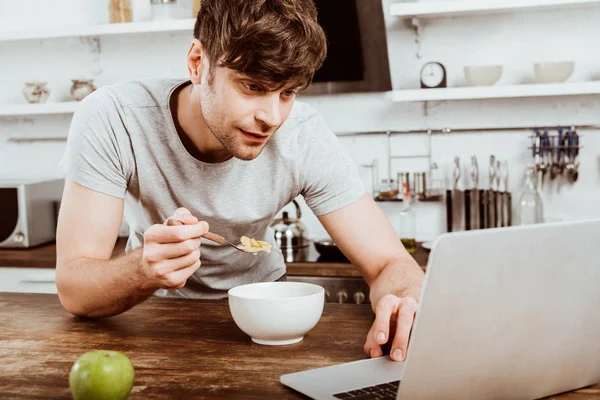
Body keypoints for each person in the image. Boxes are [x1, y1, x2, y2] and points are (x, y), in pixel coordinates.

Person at [55, 0, 424, 363]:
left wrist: (404, 298)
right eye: (252, 86)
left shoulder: (303, 136)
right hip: (153, 319)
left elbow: (390, 263)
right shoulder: (114, 117)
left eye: (288, 92)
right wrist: (144, 270)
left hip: (269, 324)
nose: (273, 117)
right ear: (198, 63)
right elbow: (75, 289)